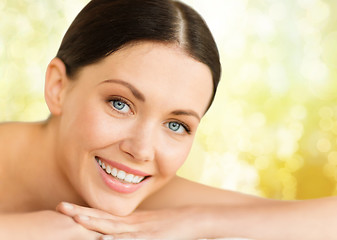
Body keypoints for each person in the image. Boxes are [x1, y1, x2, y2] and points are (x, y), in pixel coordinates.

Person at [1, 0, 337, 239]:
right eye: (120, 103)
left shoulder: (147, 196)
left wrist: (199, 221)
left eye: (177, 125)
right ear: (58, 87)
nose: (142, 150)